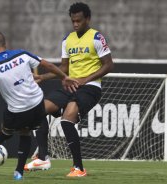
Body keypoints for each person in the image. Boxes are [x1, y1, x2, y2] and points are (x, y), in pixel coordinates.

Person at [0, 31, 78, 181]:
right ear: (5, 45)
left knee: (7, 129)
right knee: (25, 132)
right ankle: (19, 172)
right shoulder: (22, 54)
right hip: (38, 104)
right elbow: (49, 65)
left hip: (17, 110)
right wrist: (64, 77)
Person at [25, 2, 114, 177]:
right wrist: (43, 77)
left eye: (78, 21)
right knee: (38, 110)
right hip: (71, 86)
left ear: (87, 19)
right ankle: (42, 157)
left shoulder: (96, 38)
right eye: (73, 21)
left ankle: (79, 168)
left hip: (90, 87)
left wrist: (85, 79)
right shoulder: (67, 39)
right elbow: (64, 68)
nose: (75, 24)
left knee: (67, 119)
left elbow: (109, 65)